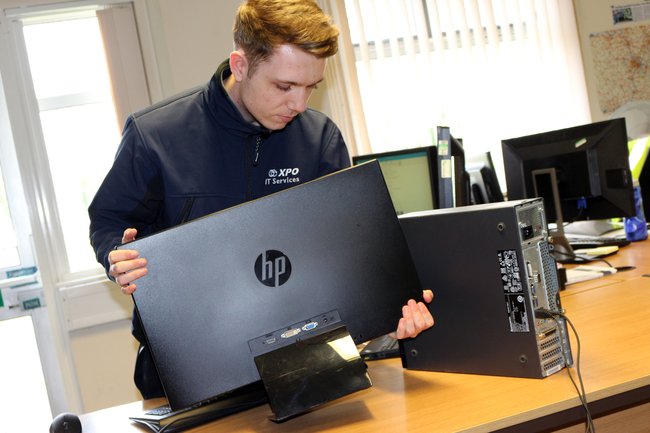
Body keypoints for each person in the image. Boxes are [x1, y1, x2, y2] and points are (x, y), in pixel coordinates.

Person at [88, 0, 434, 399]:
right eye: (284, 86)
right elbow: (109, 221)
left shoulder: (319, 139)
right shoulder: (156, 136)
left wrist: (389, 310)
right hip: (190, 371)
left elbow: (347, 253)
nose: (299, 105)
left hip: (308, 361)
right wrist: (117, 257)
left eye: (311, 87)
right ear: (240, 65)